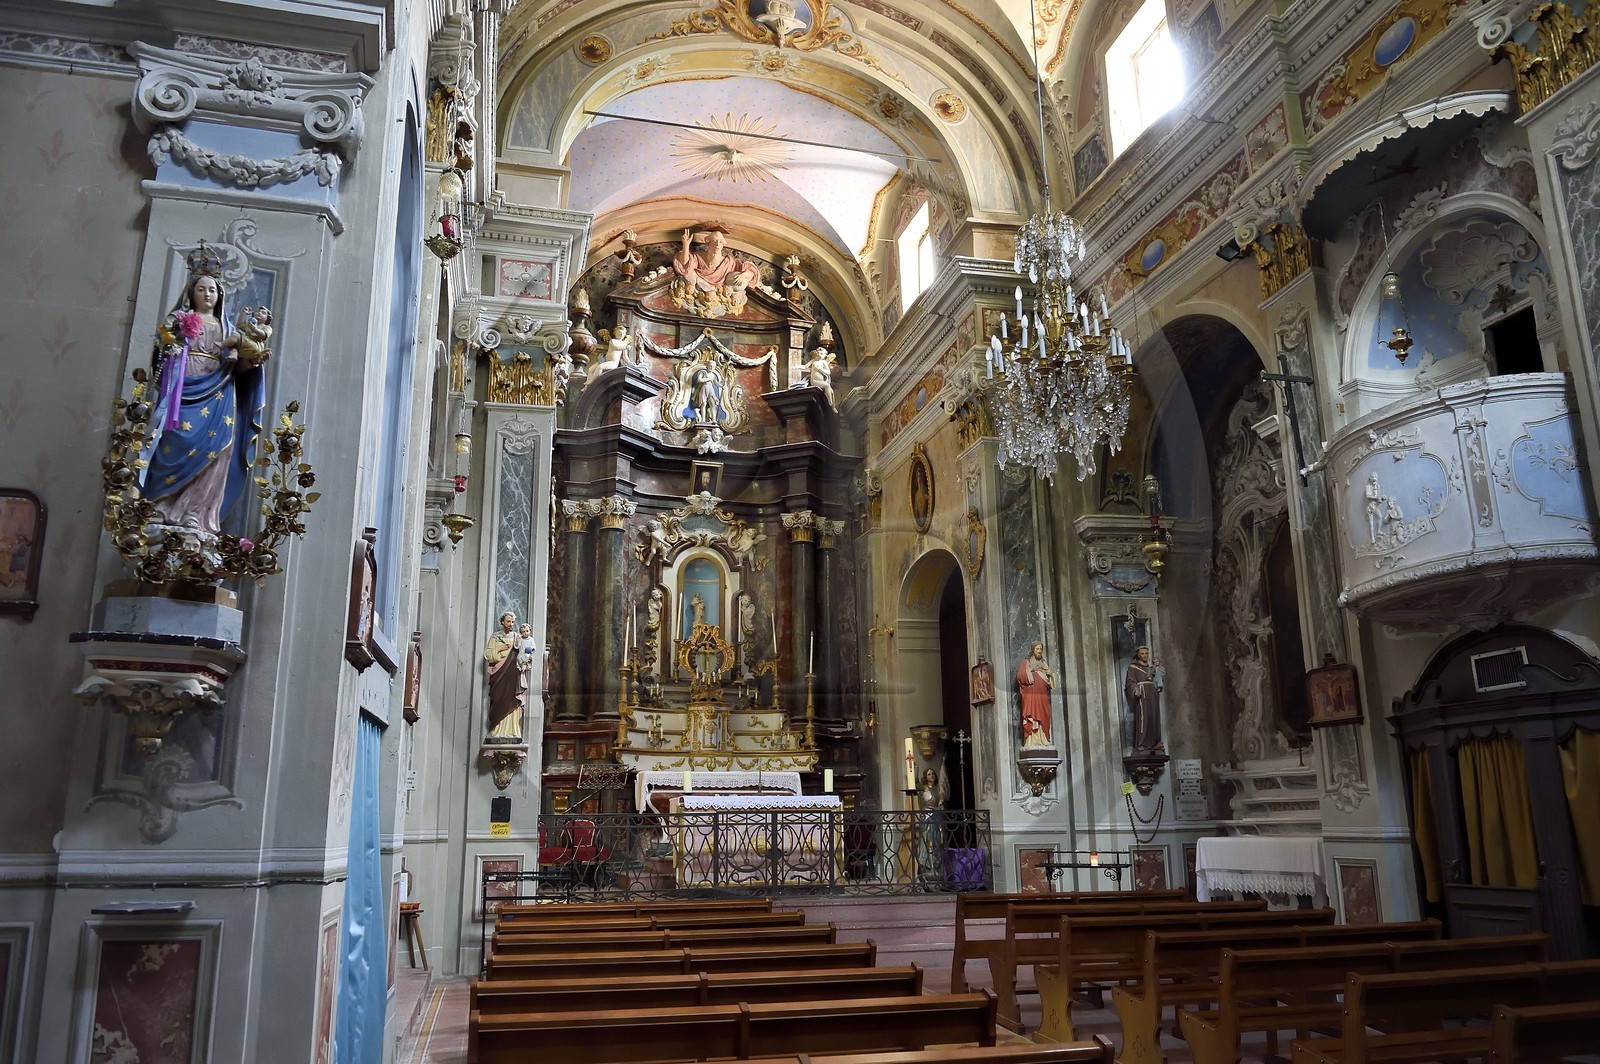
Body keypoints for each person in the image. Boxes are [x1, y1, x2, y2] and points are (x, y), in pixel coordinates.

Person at [140, 253, 270, 534]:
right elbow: (160, 355)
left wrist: (252, 362)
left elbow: (241, 368)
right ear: (191, 293)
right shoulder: (178, 321)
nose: (207, 294)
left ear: (219, 295)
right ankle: (161, 506)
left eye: (212, 290)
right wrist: (173, 345)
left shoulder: (229, 328)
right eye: (201, 289)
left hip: (218, 395)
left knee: (216, 450)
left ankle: (195, 514)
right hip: (182, 390)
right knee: (172, 441)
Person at [483, 611, 524, 742]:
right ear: (502, 622)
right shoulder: (495, 637)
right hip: (498, 674)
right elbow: (488, 654)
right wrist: (500, 648)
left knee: (512, 699)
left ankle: (512, 730)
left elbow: (524, 653)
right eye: (508, 621)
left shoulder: (517, 637)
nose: (511, 624)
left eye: (513, 622)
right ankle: (496, 729)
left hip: (513, 674)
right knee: (498, 699)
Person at [1125, 645, 1165, 752]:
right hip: (1142, 694)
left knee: (1154, 717)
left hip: (1153, 694)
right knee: (1145, 717)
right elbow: (1130, 682)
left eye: (1146, 653)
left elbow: (1157, 678)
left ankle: (1155, 743)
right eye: (1142, 653)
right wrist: (1135, 690)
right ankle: (1142, 744)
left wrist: (1159, 684)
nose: (1145, 656)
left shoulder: (1151, 668)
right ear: (1138, 654)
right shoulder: (1133, 668)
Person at [1016, 641, 1055, 747]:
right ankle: (1031, 740)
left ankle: (1044, 739)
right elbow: (1020, 676)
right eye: (1037, 649)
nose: (1039, 651)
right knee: (1032, 714)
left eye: (1041, 649)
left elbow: (1050, 680)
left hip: (1042, 695)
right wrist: (1031, 670)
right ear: (1033, 650)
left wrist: (1050, 675)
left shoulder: (1043, 662)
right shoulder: (1026, 662)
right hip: (1031, 695)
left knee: (1043, 714)